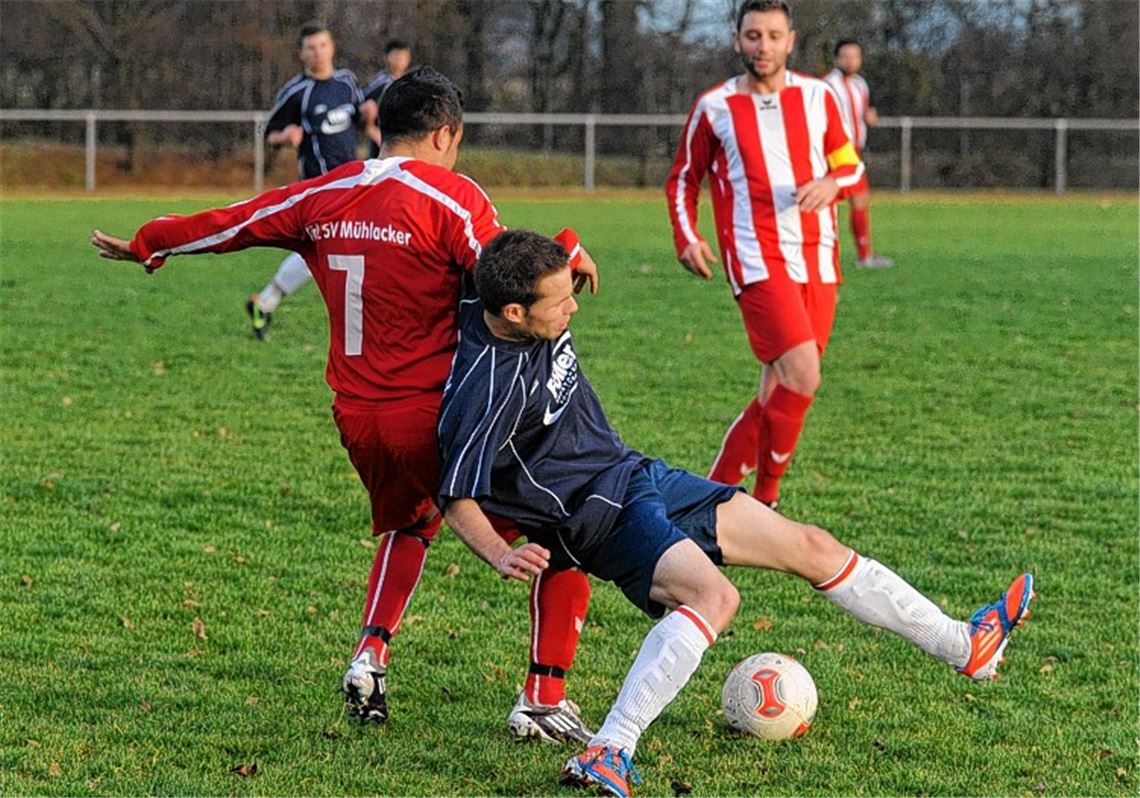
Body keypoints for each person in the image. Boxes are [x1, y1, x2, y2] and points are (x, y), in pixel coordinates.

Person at [90, 67, 600, 744]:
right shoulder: (451, 197)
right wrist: (567, 249)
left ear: (379, 127)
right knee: (566, 534)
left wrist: (151, 243)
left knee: (412, 523)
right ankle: (542, 698)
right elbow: (510, 279)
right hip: (437, 418)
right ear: (448, 133)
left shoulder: (323, 191)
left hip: (359, 420)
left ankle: (371, 654)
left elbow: (234, 222)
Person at [436, 228, 1034, 797]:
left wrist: (573, 256)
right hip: (593, 512)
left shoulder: (527, 290)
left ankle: (963, 645)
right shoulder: (486, 385)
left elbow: (551, 257)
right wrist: (499, 551)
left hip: (635, 473)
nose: (573, 309)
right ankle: (611, 747)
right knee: (714, 598)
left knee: (811, 545)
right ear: (514, 313)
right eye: (560, 303)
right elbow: (456, 493)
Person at [665, 0, 863, 510]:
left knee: (779, 390)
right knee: (803, 375)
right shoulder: (715, 107)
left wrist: (831, 183)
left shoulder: (819, 97)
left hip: (818, 258)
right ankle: (766, 501)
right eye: (753, 35)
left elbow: (851, 168)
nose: (763, 46)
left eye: (773, 35)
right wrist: (686, 236)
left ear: (791, 41)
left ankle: (709, 500)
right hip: (756, 259)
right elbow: (685, 178)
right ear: (738, 41)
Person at [246, 21, 370, 341]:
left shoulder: (347, 82)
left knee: (326, 247)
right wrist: (284, 136)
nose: (318, 53)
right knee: (341, 245)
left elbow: (355, 118)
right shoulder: (296, 92)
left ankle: (265, 301)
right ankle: (364, 320)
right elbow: (268, 134)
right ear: (302, 53)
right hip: (320, 185)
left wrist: (368, 116)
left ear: (333, 47)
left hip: (354, 180)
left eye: (323, 45)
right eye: (311, 48)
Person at [823, 38, 894, 269]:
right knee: (828, 202)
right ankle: (857, 257)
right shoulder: (827, 85)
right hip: (833, 152)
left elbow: (862, 113)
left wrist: (868, 117)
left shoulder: (860, 84)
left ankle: (863, 256)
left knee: (859, 199)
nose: (851, 61)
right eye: (846, 56)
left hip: (855, 151)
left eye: (855, 56)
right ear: (836, 59)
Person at [362, 39, 414, 158]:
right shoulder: (382, 83)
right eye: (396, 56)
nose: (399, 60)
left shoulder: (411, 82)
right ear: (387, 57)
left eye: (403, 56)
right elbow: (360, 102)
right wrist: (370, 128)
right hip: (383, 140)